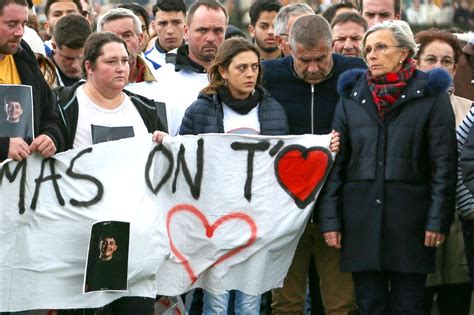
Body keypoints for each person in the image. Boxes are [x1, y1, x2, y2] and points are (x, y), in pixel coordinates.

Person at [319, 20, 457, 314]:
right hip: (361, 219)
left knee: (409, 305)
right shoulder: (351, 96)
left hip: (412, 221)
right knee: (370, 305)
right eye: (368, 49)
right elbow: (336, 164)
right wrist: (331, 220)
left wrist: (437, 220)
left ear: (405, 53)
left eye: (381, 47)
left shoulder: (431, 97)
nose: (371, 55)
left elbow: (443, 165)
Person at [54, 32, 166, 314]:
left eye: (125, 61)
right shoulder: (65, 106)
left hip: (135, 242)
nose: (121, 68)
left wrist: (164, 146)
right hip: (81, 244)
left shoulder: (145, 109)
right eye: (111, 61)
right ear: (89, 67)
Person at [262, 15, 365, 315]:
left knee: (341, 303)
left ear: (332, 45)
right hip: (284, 210)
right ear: (287, 48)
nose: (313, 68)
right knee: (285, 304)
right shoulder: (267, 75)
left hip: (337, 207)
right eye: (303, 60)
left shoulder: (355, 73)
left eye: (321, 58)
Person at [178, 37, 288, 315]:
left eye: (254, 67)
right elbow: (183, 158)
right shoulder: (201, 109)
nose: (250, 74)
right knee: (216, 302)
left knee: (250, 303)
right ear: (223, 71)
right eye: (241, 68)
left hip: (257, 219)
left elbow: (283, 164)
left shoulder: (272, 109)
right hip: (216, 220)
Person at [414, 28, 472, 315]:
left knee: (457, 301)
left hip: (462, 229)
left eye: (447, 61)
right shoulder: (404, 110)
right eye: (431, 59)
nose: (439, 67)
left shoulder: (469, 110)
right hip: (418, 227)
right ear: (416, 62)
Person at [0, 0, 64, 162]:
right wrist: (4, 147)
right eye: (11, 24)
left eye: (23, 24)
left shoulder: (24, 56)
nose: (20, 32)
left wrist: (50, 137)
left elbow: (50, 115)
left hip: (23, 181)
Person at [154, 0, 228, 136]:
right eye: (202, 30)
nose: (210, 38)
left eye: (218, 30)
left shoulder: (239, 78)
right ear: (186, 31)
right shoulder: (162, 80)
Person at [96, 8, 156, 84]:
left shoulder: (164, 79)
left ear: (140, 39)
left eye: (127, 36)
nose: (121, 43)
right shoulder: (88, 88)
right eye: (112, 37)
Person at [47, 14, 91, 88]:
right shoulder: (41, 76)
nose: (75, 65)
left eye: (81, 58)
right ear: (54, 47)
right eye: (68, 58)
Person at [144, 0, 187, 70]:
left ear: (186, 25)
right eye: (163, 23)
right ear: (154, 26)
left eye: (176, 22)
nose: (170, 31)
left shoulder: (201, 60)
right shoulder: (145, 63)